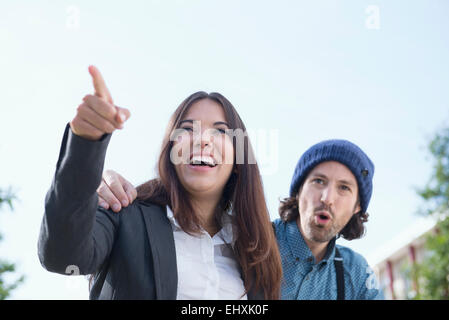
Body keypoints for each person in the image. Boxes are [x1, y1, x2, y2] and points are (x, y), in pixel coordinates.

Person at [38, 66, 282, 300]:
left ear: (239, 159)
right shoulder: (124, 214)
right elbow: (62, 255)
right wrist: (86, 144)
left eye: (220, 131)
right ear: (171, 151)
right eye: (187, 129)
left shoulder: (257, 249)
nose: (202, 140)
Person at [98, 141, 384, 300]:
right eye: (318, 181)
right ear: (298, 191)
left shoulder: (355, 273)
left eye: (344, 188)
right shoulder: (246, 241)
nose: (327, 197)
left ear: (358, 206)